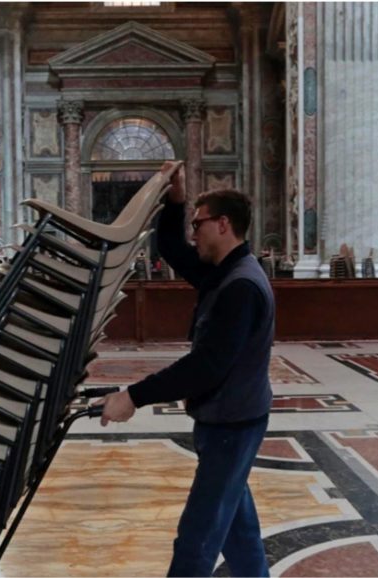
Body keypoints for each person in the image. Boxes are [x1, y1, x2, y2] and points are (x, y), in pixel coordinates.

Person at [97, 168, 275, 577]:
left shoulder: (240, 286)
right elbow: (172, 249)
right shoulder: (225, 272)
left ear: (223, 225)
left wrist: (132, 396)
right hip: (230, 421)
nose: (194, 234)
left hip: (232, 425)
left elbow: (206, 367)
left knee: (197, 541)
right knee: (239, 533)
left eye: (199, 224)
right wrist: (175, 202)